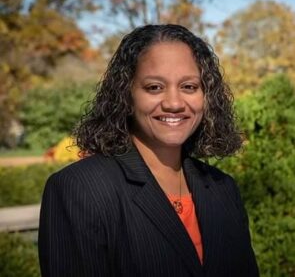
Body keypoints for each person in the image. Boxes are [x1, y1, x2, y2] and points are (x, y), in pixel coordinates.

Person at [38, 24, 259, 277]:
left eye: (189, 86)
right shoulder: (79, 189)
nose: (174, 103)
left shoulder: (223, 188)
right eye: (154, 87)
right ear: (126, 95)